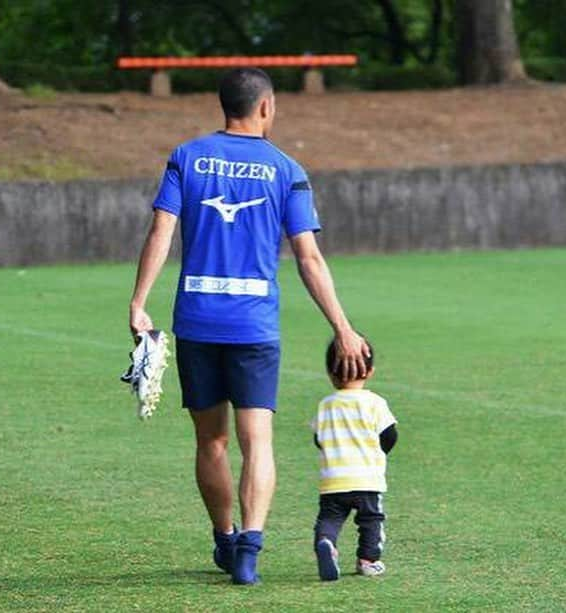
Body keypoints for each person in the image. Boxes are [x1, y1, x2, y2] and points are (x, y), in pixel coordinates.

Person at [128, 67, 369, 585]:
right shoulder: (286, 168)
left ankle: (225, 537)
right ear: (265, 108)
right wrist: (343, 327)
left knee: (211, 442)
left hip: (196, 319)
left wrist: (139, 302)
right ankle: (250, 552)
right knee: (256, 439)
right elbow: (309, 258)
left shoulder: (187, 157)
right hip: (254, 325)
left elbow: (161, 231)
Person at [312, 336, 398, 581]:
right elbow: (389, 435)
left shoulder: (325, 405)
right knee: (371, 520)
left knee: (329, 518)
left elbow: (319, 438)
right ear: (370, 371)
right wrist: (376, 453)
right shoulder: (375, 403)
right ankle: (368, 560)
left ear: (330, 372)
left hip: (333, 480)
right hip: (367, 479)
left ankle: (327, 542)